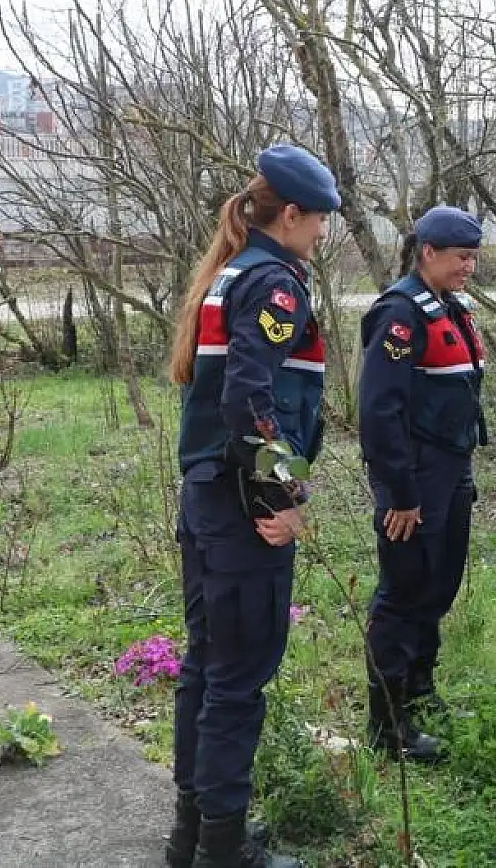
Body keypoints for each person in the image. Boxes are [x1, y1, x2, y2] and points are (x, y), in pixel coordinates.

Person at [163, 145, 339, 868]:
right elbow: (249, 404)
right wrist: (285, 493)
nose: (324, 233)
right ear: (291, 214)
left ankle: (195, 834)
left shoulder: (229, 275)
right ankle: (224, 849)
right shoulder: (274, 284)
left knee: (207, 670)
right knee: (237, 680)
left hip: (207, 500)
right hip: (244, 512)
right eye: (320, 219)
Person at [359, 205, 486, 763]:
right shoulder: (401, 315)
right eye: (462, 257)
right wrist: (401, 496)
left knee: (436, 590)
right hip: (413, 484)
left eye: (474, 257)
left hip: (450, 474)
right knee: (402, 597)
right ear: (428, 252)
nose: (470, 268)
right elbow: (380, 413)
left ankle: (419, 692)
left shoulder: (448, 310)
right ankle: (387, 726)